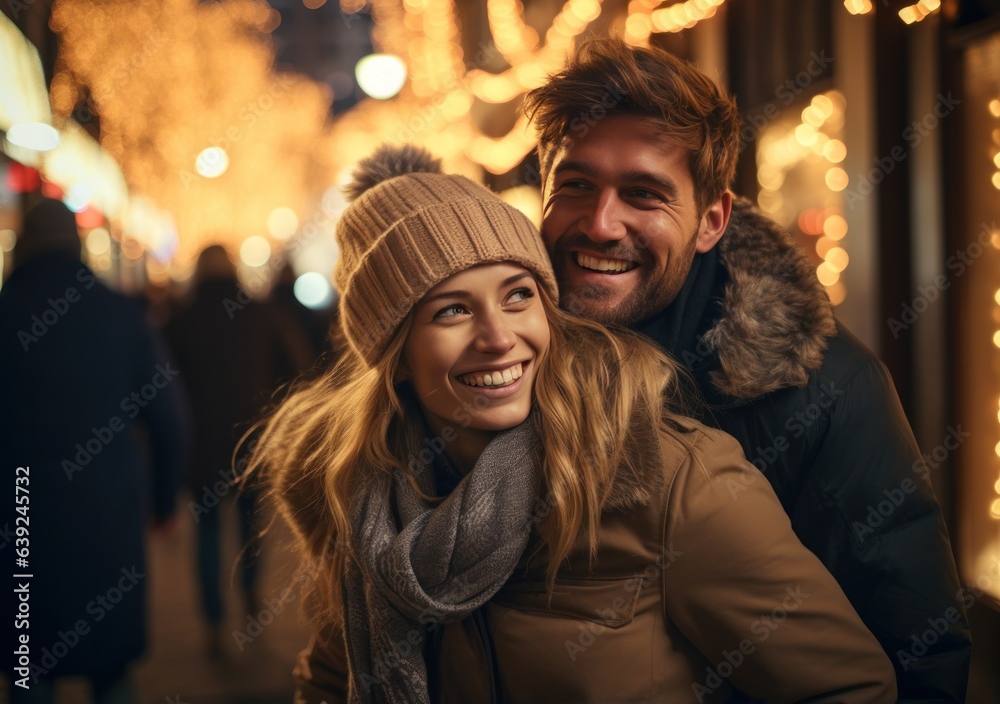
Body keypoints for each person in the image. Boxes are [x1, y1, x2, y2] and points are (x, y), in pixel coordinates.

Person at [251, 145, 896, 703]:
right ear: (394, 358)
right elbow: (331, 683)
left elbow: (847, 686)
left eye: (518, 294)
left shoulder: (666, 478)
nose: (499, 338)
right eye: (451, 311)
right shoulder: (365, 502)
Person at [520, 38, 971, 701]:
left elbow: (918, 655)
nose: (601, 223)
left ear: (710, 221)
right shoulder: (504, 356)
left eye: (643, 193)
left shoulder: (821, 389)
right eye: (577, 185)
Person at [0, 198, 184, 703]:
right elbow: (168, 419)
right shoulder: (121, 315)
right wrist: (165, 504)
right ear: (77, 245)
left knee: (28, 667)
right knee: (110, 666)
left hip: (19, 523)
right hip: (105, 519)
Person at [163, 245, 312, 656]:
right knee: (251, 525)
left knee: (207, 530)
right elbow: (297, 373)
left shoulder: (181, 321)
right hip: (253, 442)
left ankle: (213, 616)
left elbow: (162, 391)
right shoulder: (261, 315)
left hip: (202, 446)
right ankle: (250, 597)